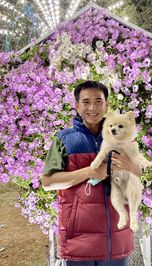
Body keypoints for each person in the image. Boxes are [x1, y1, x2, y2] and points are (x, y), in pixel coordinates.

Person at [42, 80, 142, 266]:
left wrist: (130, 165)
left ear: (107, 105)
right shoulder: (63, 140)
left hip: (116, 237)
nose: (92, 107)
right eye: (86, 102)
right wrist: (90, 171)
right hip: (78, 240)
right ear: (77, 106)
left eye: (98, 101)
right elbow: (48, 183)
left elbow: (138, 173)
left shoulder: (123, 135)